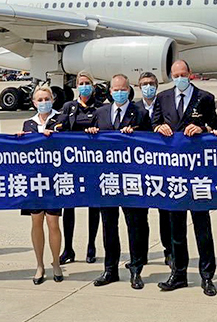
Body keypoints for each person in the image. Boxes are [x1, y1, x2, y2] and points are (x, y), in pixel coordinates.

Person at [152, 59, 217, 296]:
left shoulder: (205, 98)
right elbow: (154, 123)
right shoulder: (163, 98)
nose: (180, 78)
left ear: (190, 74)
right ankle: (178, 273)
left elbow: (215, 127)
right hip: (173, 174)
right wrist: (158, 128)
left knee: (202, 227)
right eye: (176, 75)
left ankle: (207, 276)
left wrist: (202, 129)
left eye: (183, 74)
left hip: (197, 173)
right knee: (176, 229)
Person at [87, 73, 151, 289]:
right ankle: (110, 269)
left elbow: (150, 142)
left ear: (129, 90)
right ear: (110, 91)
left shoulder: (140, 113)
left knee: (135, 225)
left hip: (132, 178)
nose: (119, 92)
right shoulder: (100, 113)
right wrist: (91, 133)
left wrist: (136, 133)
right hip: (108, 179)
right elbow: (91, 145)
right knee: (109, 225)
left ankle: (136, 269)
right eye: (116, 89)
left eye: (123, 89)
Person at [51, 72, 101, 264]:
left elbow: (106, 129)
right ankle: (68, 248)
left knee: (93, 206)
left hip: (92, 164)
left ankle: (91, 245)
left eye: (87, 83)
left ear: (93, 86)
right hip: (71, 164)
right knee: (69, 206)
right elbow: (59, 125)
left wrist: (96, 132)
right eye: (81, 83)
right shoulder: (69, 106)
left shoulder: (100, 108)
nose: (84, 86)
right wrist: (56, 128)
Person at [20, 86, 64, 284]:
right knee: (36, 221)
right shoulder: (29, 123)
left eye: (47, 98)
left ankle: (56, 262)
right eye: (39, 99)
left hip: (54, 179)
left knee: (53, 222)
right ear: (34, 103)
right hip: (34, 179)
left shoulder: (61, 120)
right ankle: (39, 264)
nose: (43, 102)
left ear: (53, 100)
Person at [135, 71, 172, 267]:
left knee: (166, 213)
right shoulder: (134, 108)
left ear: (157, 86)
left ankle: (169, 252)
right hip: (140, 168)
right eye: (144, 84)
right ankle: (141, 255)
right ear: (138, 87)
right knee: (140, 216)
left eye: (151, 83)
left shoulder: (165, 105)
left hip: (162, 167)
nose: (148, 87)